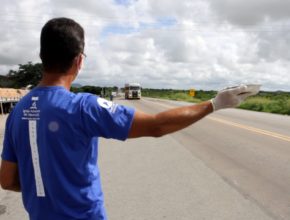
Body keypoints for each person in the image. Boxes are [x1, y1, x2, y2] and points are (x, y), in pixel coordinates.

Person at [0, 17, 253, 220]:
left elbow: (7, 181)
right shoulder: (82, 106)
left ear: (42, 56)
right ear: (79, 61)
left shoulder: (17, 111)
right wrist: (215, 103)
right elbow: (157, 125)